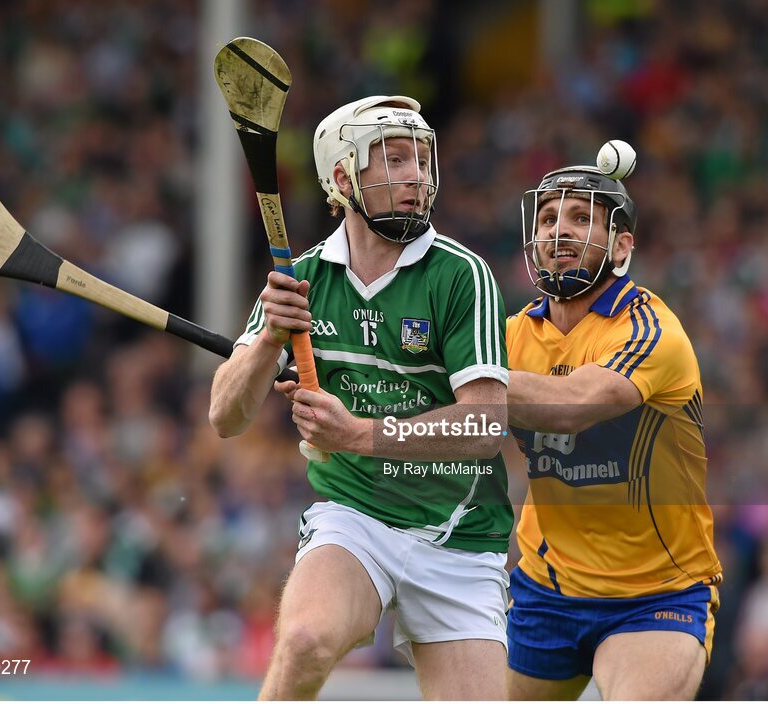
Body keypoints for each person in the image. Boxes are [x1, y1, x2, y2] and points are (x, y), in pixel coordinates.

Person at [208, 95, 512, 700]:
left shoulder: (461, 275)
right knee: (304, 641)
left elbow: (484, 426)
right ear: (344, 177)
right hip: (357, 517)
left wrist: (357, 435)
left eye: (422, 160)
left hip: (462, 531)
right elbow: (225, 415)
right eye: (394, 160)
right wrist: (270, 337)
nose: (417, 177)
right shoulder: (305, 277)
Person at [503, 160, 723, 700]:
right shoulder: (510, 335)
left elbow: (574, 404)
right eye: (549, 217)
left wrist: (465, 378)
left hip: (656, 594)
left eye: (581, 218)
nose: (560, 229)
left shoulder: (651, 330)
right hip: (545, 588)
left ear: (621, 248)